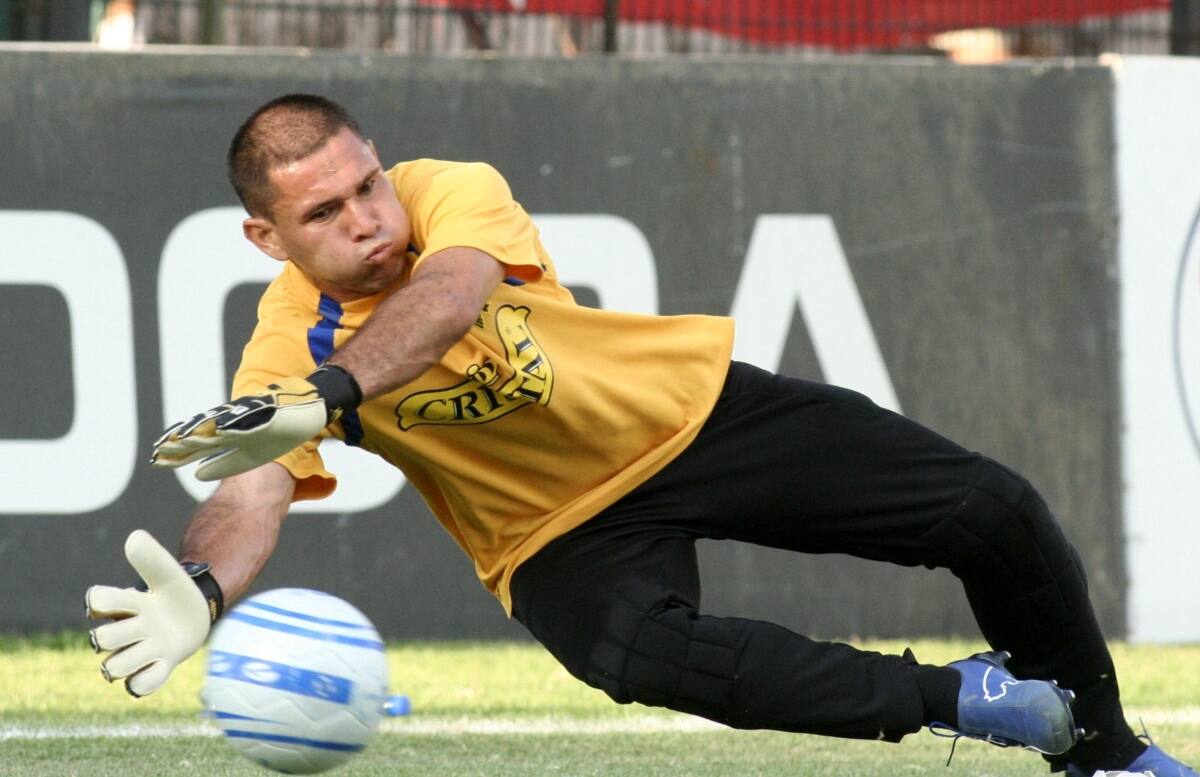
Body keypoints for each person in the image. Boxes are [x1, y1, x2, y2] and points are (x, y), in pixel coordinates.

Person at [85, 94, 1193, 777]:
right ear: (265, 238)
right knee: (639, 659)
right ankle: (970, 701)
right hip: (552, 533)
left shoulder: (448, 194)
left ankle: (1104, 752)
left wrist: (328, 395)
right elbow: (251, 492)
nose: (368, 219)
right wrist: (203, 584)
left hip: (688, 416)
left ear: (384, 163)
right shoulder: (286, 348)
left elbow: (453, 300)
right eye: (323, 215)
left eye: (364, 185)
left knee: (992, 511)